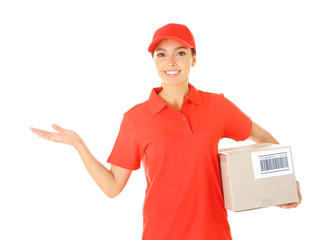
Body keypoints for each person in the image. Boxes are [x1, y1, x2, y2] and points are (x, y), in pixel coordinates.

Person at [30, 23, 302, 240]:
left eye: (180, 52)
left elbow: (265, 142)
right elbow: (113, 187)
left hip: (213, 234)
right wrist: (79, 144)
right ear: (154, 60)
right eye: (162, 54)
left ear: (194, 59)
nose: (170, 61)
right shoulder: (136, 118)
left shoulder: (218, 106)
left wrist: (284, 186)